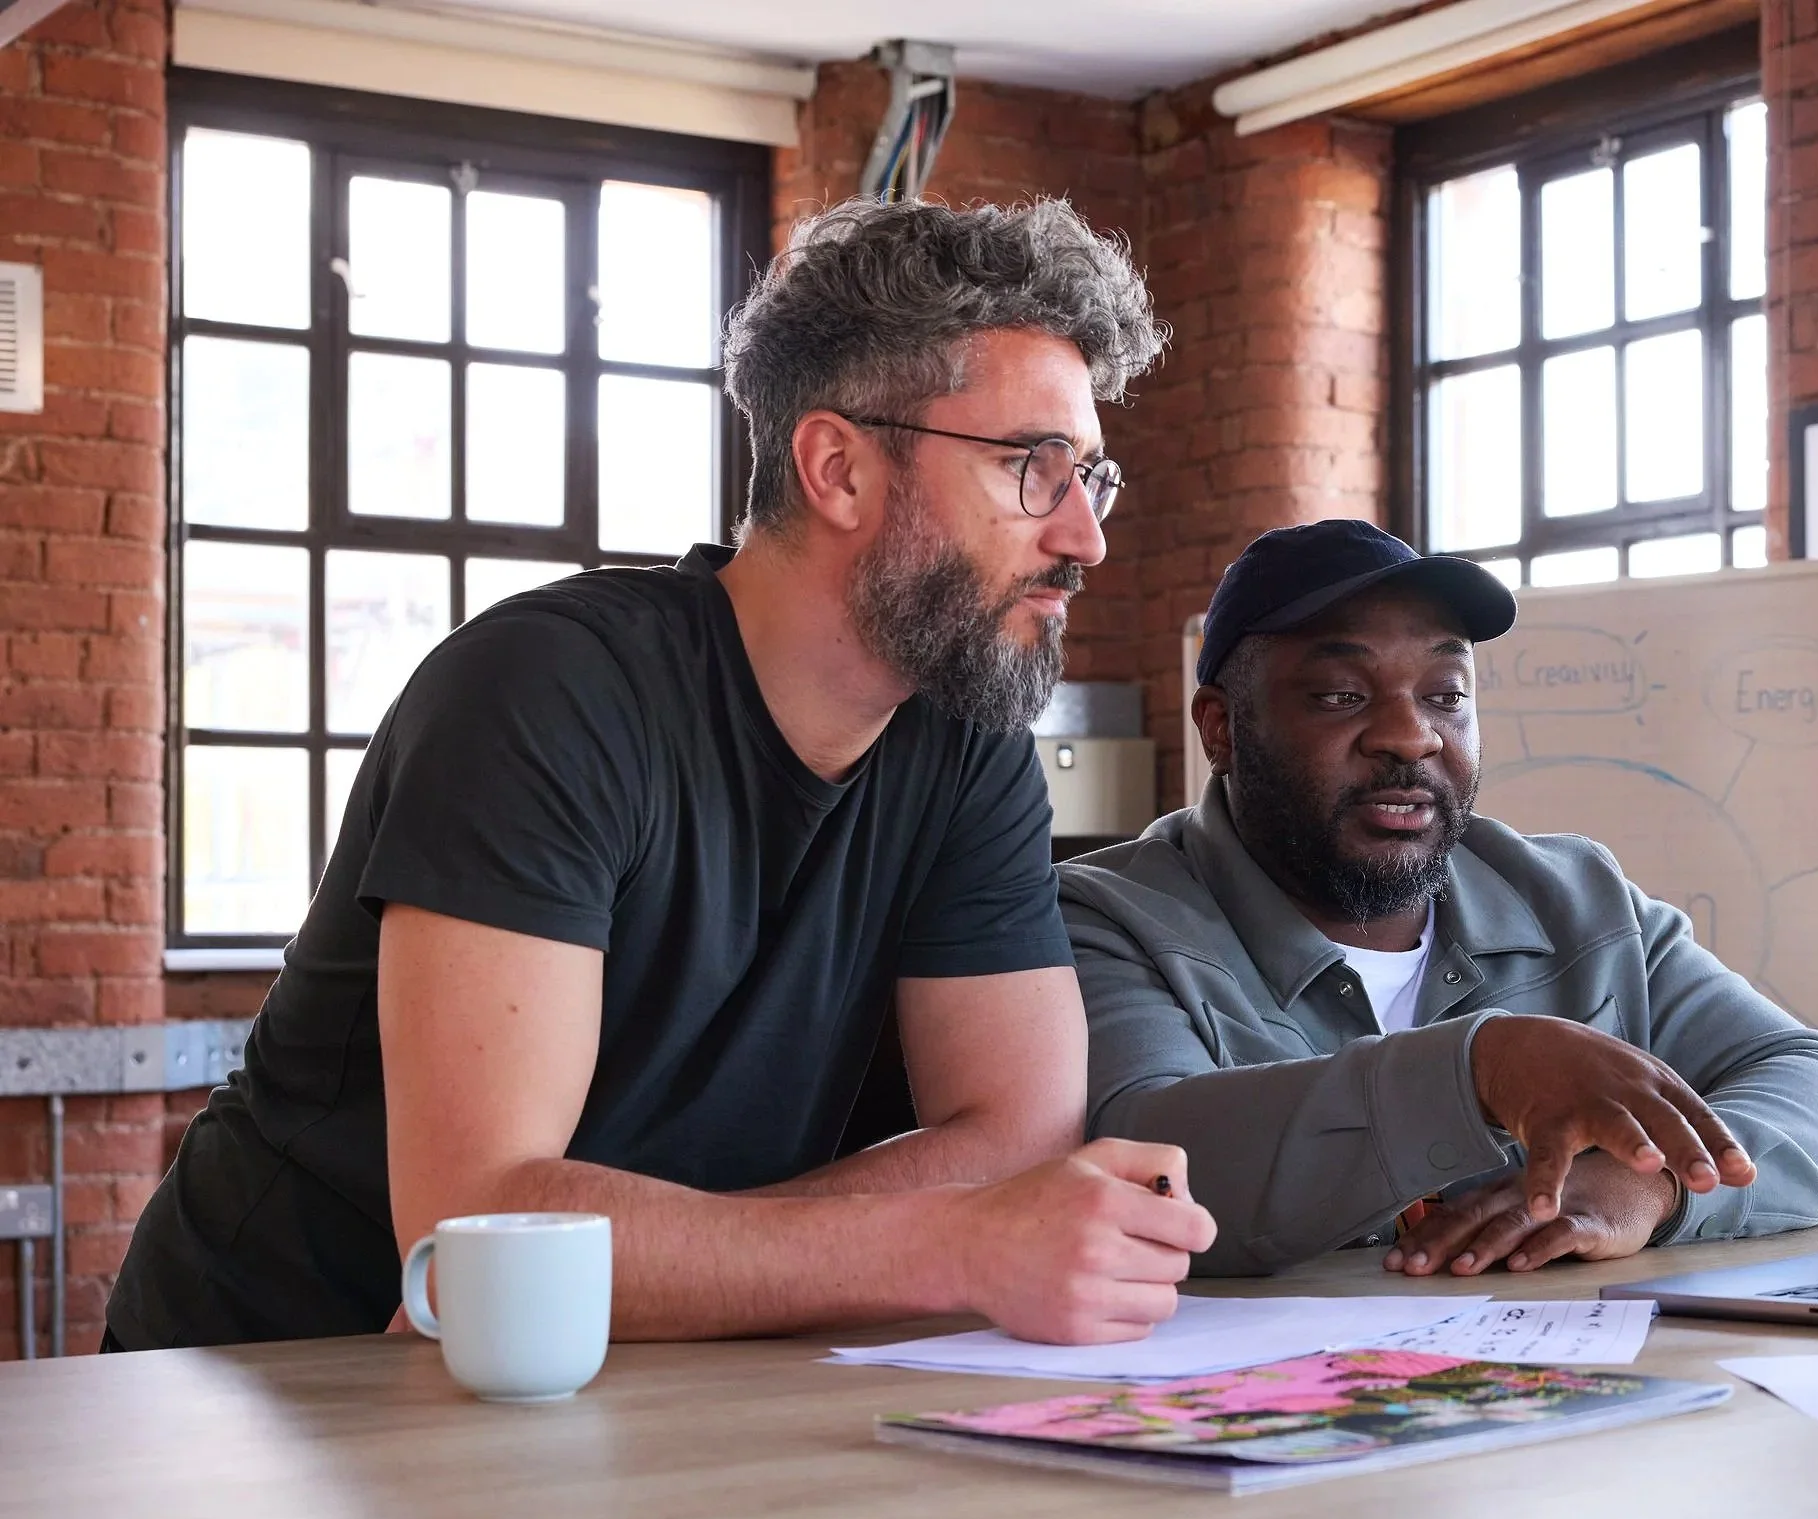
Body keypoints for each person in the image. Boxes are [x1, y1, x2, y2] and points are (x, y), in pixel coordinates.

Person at [109, 198, 1215, 1351]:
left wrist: (679, 1263)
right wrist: (952, 1244)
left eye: (1091, 473)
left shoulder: (965, 739)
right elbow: (474, 1237)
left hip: (634, 1378)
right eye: (1032, 467)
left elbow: (1021, 1142)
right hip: (284, 1379)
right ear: (837, 468)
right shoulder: (545, 692)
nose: (1084, 535)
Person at [1059, 520, 1818, 1278]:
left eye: (1445, 695)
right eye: (1342, 695)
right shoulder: (1104, 920)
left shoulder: (1583, 904)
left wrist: (1652, 1189)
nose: (1411, 736)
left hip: (1571, 1408)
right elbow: (1146, 1162)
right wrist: (1477, 1070)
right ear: (1221, 730)